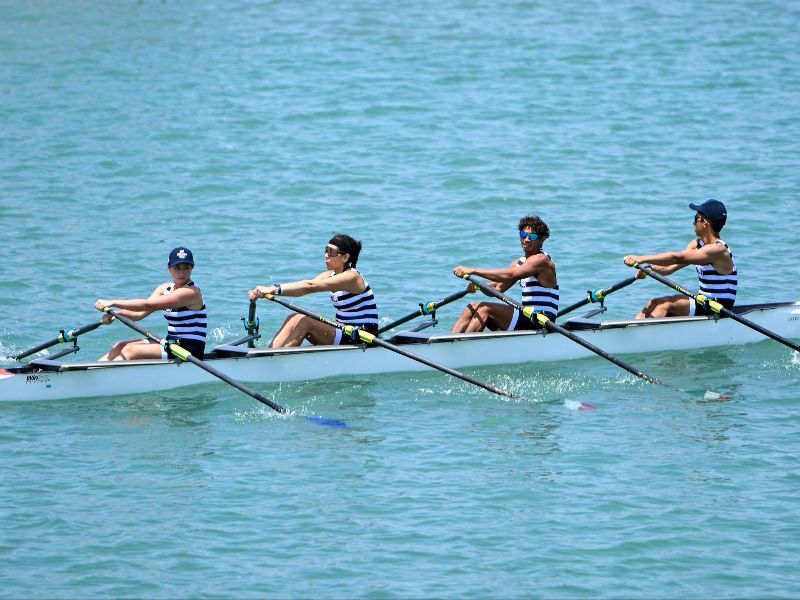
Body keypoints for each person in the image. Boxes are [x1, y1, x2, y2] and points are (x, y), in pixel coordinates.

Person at [249, 234, 379, 347]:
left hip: (361, 335)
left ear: (345, 257)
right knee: (293, 317)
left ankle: (279, 361)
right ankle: (270, 354)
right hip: (344, 330)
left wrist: (273, 289)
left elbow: (309, 286)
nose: (326, 255)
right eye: (326, 250)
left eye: (332, 252)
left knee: (304, 320)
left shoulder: (352, 277)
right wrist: (264, 292)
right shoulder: (329, 275)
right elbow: (302, 289)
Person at [623, 199, 737, 319]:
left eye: (695, 218)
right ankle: (631, 329)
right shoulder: (697, 244)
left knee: (666, 304)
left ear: (705, 222)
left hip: (719, 306)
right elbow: (672, 266)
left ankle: (644, 335)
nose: (693, 223)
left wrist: (640, 258)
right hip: (704, 301)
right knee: (653, 302)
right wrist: (650, 270)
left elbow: (677, 257)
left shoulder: (718, 250)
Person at [451, 215, 559, 333]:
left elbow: (510, 275)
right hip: (529, 316)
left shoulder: (542, 260)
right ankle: (448, 343)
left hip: (541, 319)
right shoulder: (519, 263)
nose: (526, 239)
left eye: (532, 236)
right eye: (523, 235)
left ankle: (465, 347)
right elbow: (497, 288)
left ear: (542, 239)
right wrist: (478, 287)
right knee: (472, 307)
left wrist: (473, 270)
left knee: (484, 309)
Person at [95, 247, 207, 360]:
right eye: (177, 268)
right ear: (169, 268)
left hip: (189, 350)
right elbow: (139, 314)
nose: (181, 273)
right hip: (172, 343)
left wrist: (113, 302)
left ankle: (100, 376)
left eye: (186, 268)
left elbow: (148, 305)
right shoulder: (165, 288)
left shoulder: (191, 292)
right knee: (120, 346)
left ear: (192, 268)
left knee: (131, 351)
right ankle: (92, 371)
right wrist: (116, 315)